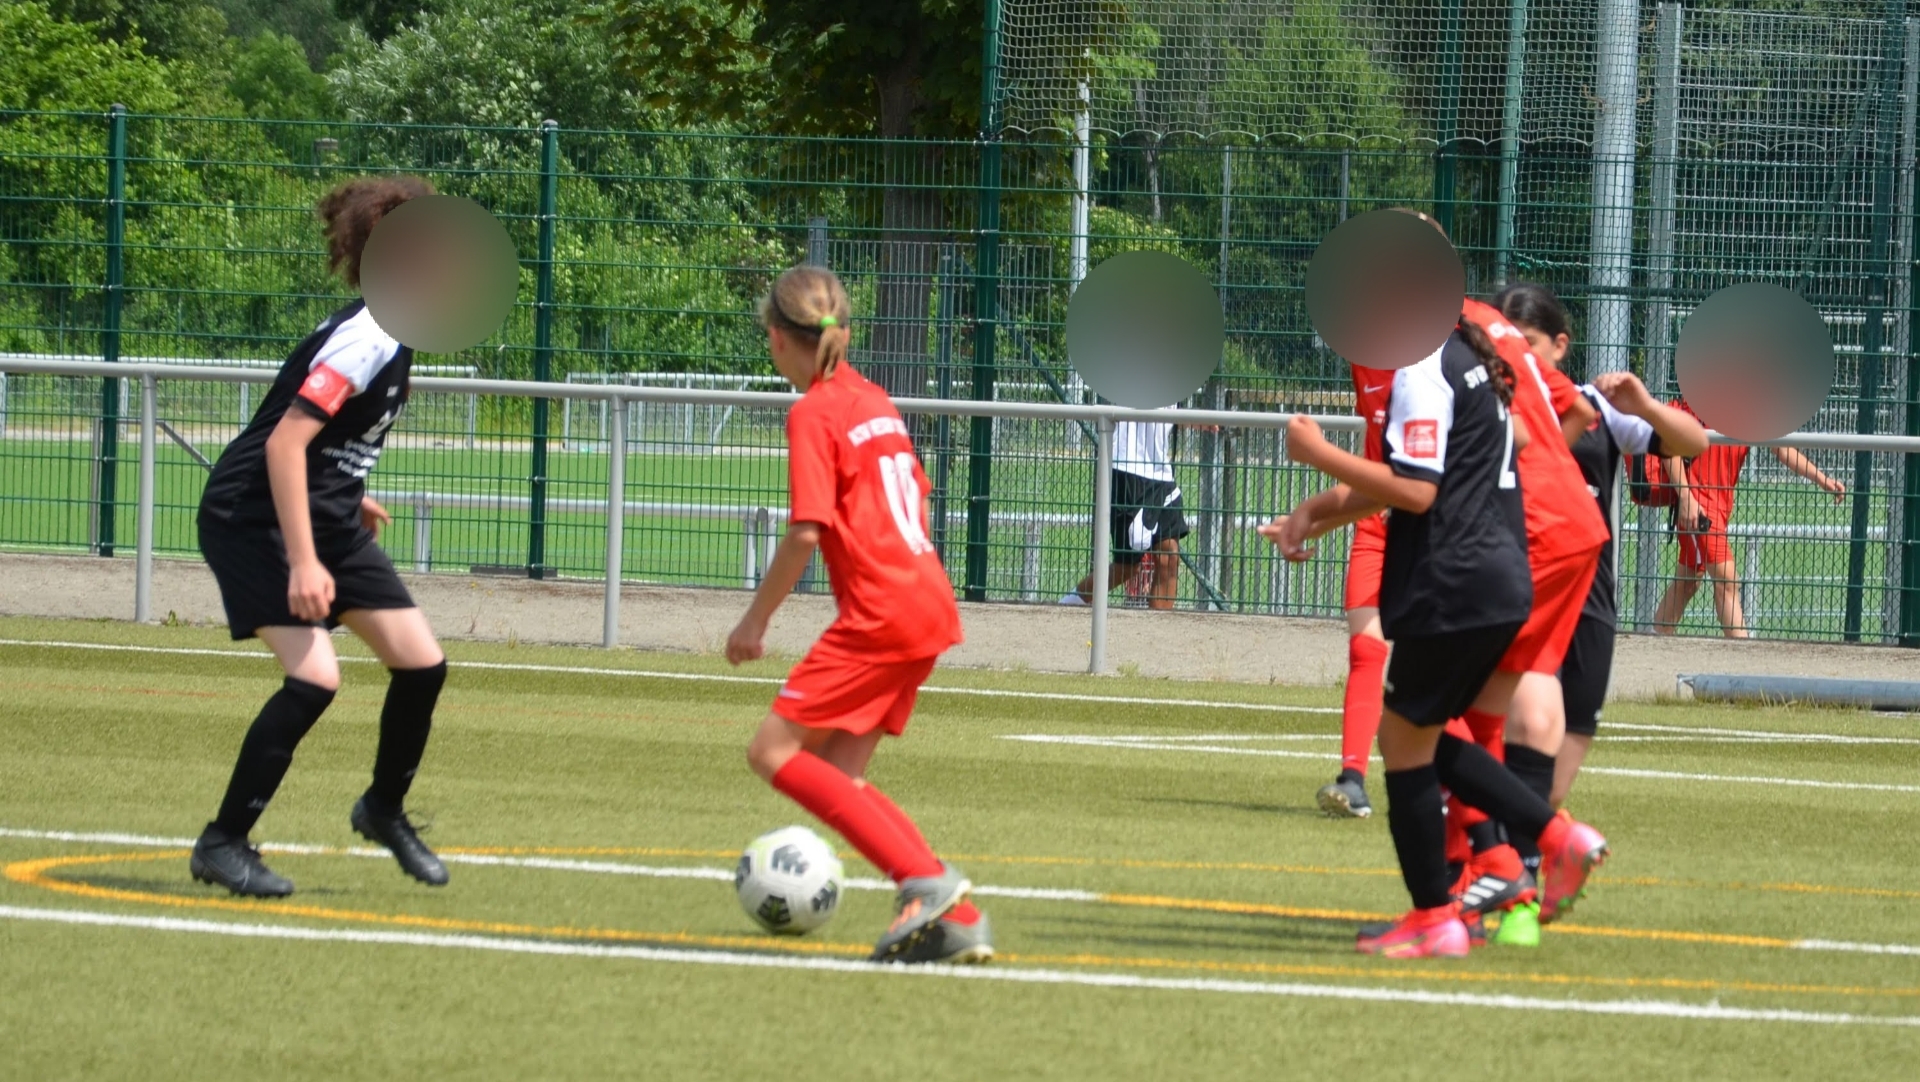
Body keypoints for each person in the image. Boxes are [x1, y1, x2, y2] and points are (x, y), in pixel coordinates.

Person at [1263, 319, 1609, 957]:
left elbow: (1418, 492)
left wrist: (1317, 454)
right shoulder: (1470, 356)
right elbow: (1516, 438)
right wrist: (1319, 510)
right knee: (1422, 731)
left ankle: (1458, 900)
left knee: (1407, 738)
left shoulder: (1423, 368)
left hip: (1457, 580)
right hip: (1503, 574)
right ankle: (1517, 856)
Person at [191, 176, 451, 898]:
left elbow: (327, 442)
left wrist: (350, 494)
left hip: (322, 512)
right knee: (315, 679)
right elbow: (284, 444)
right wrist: (305, 563)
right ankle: (222, 842)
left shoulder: (394, 332)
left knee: (422, 665)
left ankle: (382, 808)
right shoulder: (367, 336)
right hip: (255, 517)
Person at [729, 265, 990, 966]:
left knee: (771, 752)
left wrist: (754, 622)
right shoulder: (873, 399)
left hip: (881, 608)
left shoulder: (812, 412)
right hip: (926, 596)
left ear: (777, 338)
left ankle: (926, 883)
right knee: (839, 775)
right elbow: (916, 496)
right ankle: (958, 918)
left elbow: (805, 532)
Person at [1493, 284, 1707, 836]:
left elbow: (1694, 443)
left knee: (1570, 738)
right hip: (1516, 582)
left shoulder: (1595, 405)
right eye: (1503, 342)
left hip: (1588, 587)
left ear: (1560, 345)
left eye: (1528, 342)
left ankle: (1526, 841)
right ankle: (1503, 855)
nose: (1515, 354)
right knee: (1518, 729)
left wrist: (1646, 406)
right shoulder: (1489, 403)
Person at [1652, 404, 1846, 638]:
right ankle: (1741, 652)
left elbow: (1783, 450)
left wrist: (1822, 479)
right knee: (1726, 580)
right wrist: (1685, 497)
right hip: (1698, 507)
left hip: (1718, 507)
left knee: (1688, 582)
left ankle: (1656, 639)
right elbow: (1668, 444)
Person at [1314, 360, 1393, 819]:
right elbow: (1378, 467)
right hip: (1378, 525)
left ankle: (1464, 792)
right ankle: (1353, 780)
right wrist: (1313, 519)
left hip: (1437, 527)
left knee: (1436, 664)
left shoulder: (1456, 350)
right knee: (1365, 649)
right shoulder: (1365, 360)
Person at [1062, 415, 1192, 610]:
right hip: (1129, 468)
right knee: (1127, 567)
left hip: (1162, 474)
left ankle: (1159, 627)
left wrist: (1196, 420)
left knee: (1169, 557)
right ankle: (1064, 606)